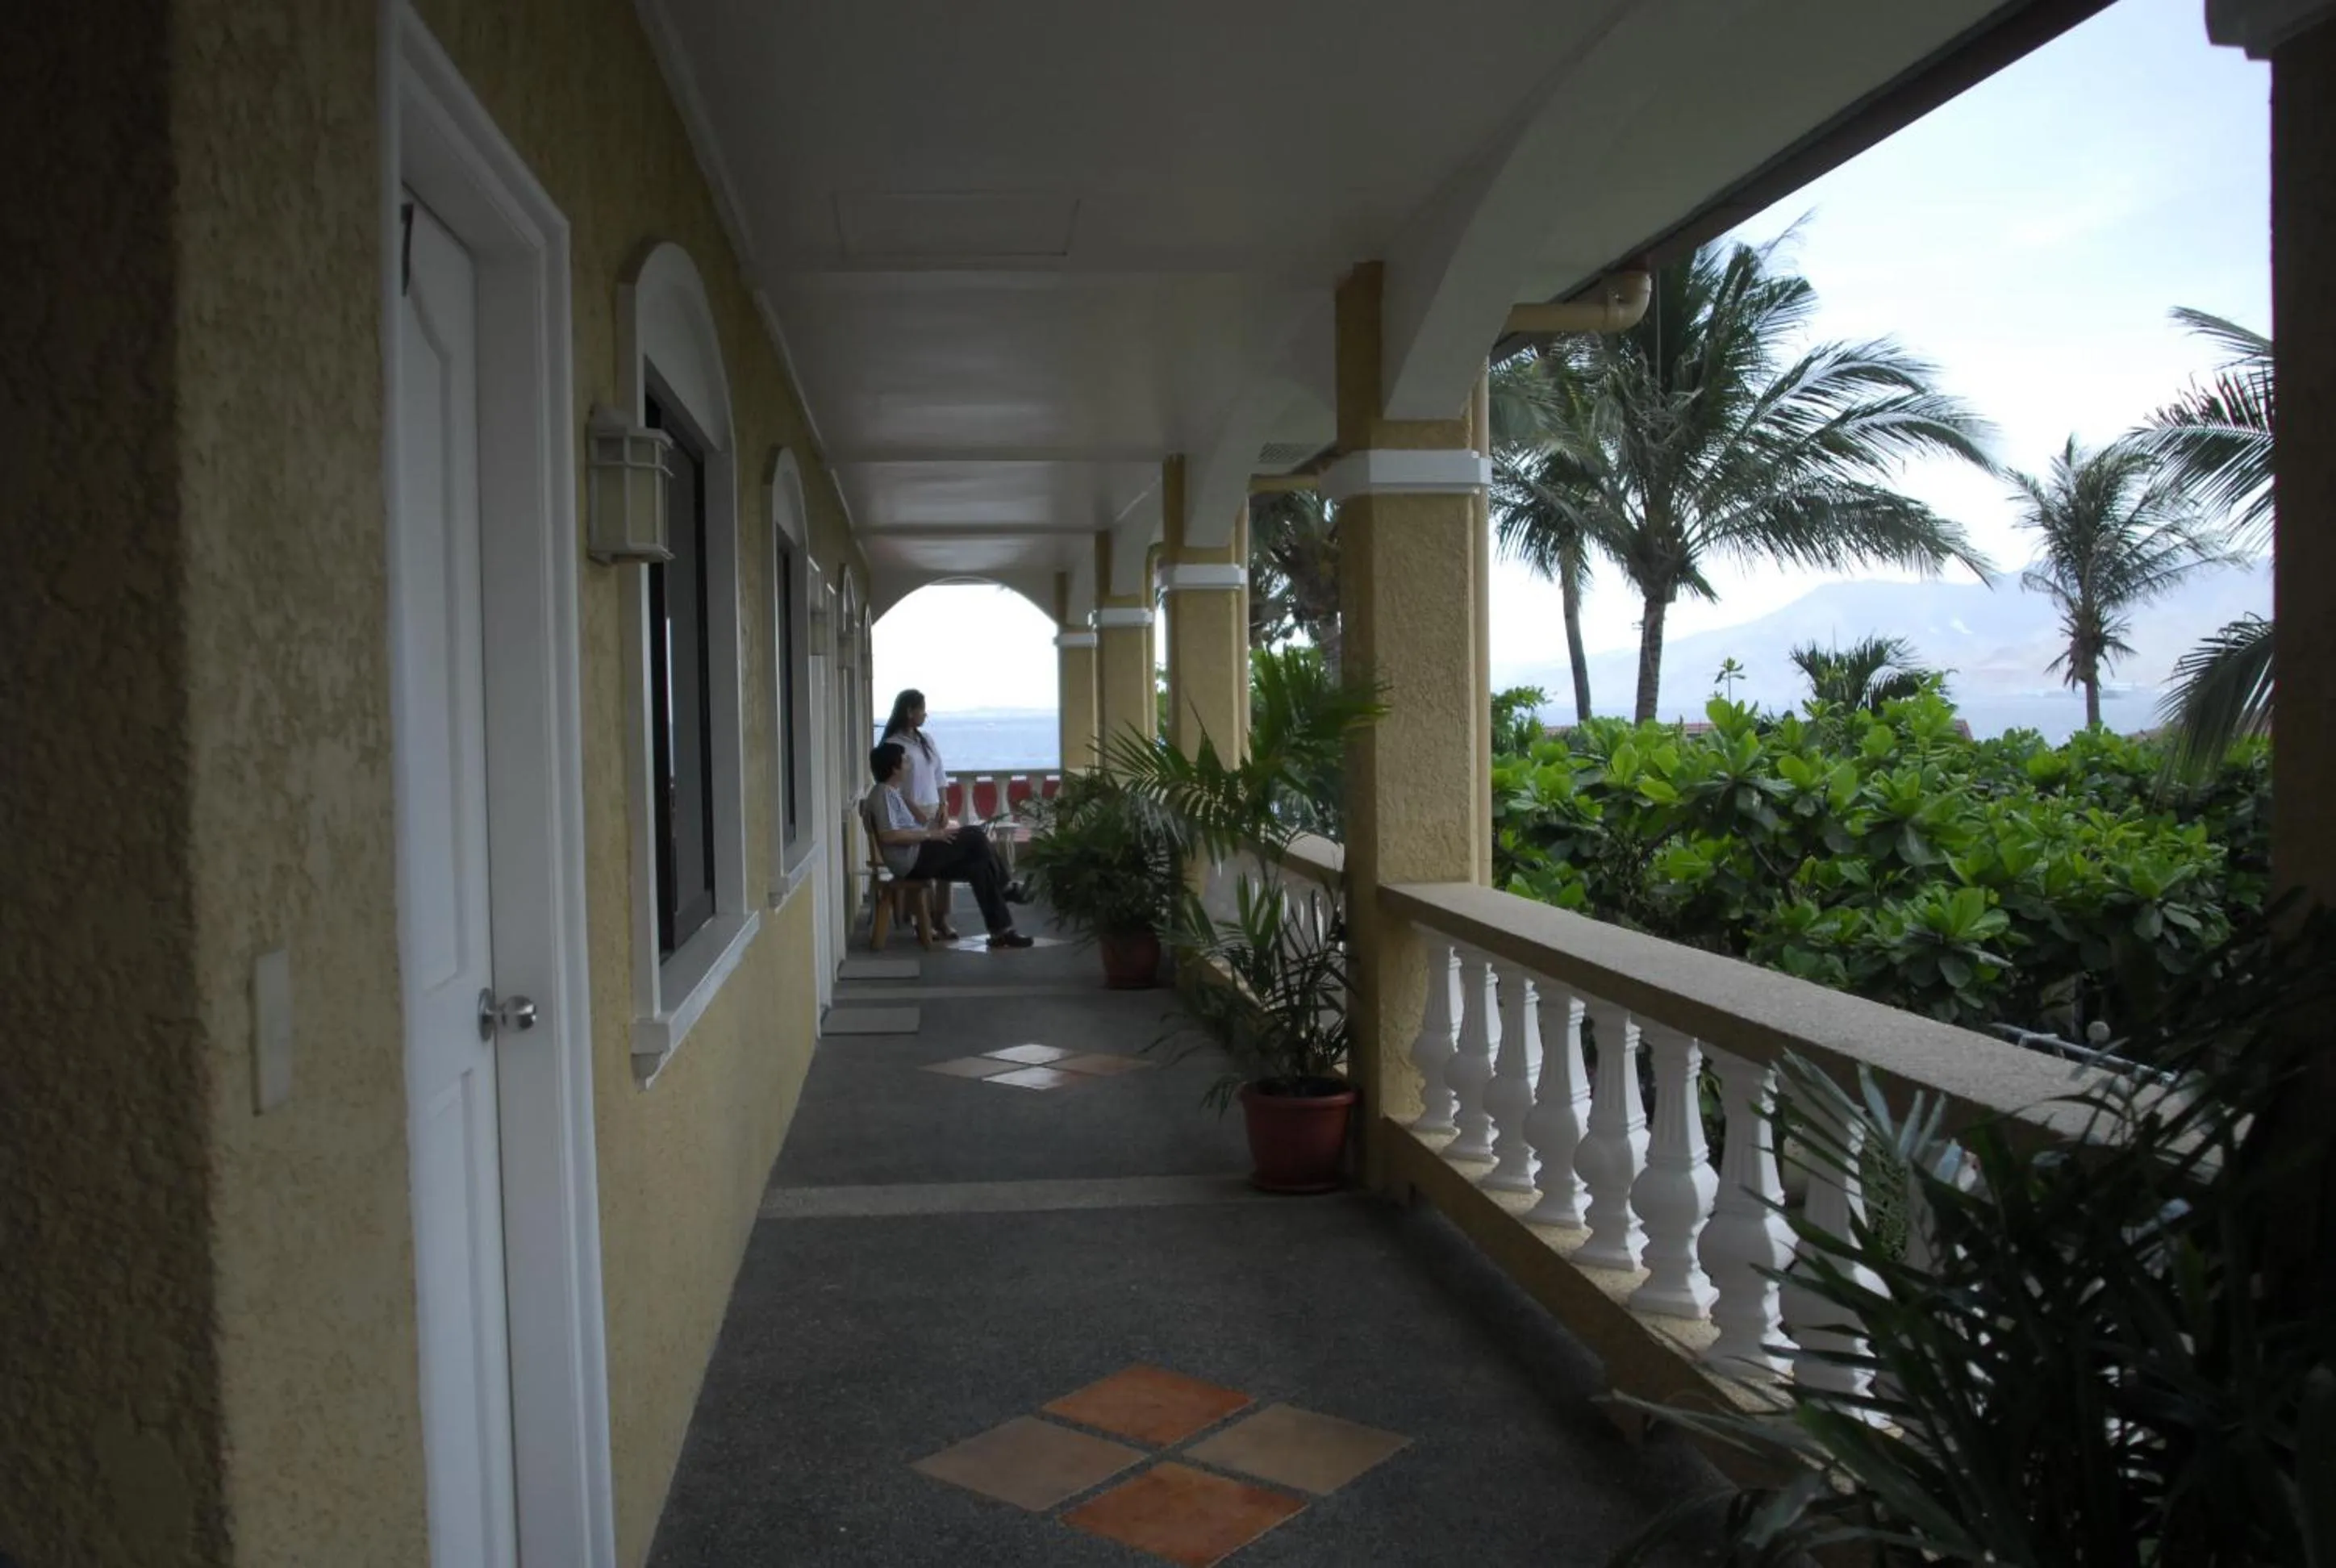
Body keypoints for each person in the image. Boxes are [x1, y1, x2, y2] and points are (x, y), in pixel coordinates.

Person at [865, 741, 1033, 949]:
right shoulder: (883, 794)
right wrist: (931, 835)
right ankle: (1005, 887)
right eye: (905, 760)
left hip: (916, 854)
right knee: (974, 834)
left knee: (979, 867)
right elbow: (889, 836)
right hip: (910, 860)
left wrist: (912, 805)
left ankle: (1002, 932)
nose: (909, 763)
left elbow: (917, 822)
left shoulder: (892, 793)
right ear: (894, 768)